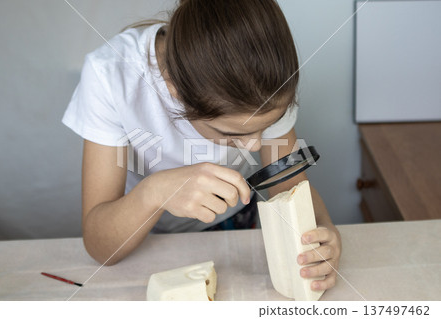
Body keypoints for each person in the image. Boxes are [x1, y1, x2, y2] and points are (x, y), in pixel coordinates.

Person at [62, 0, 341, 292]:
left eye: (268, 125)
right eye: (232, 133)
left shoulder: (266, 81)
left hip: (234, 220)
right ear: (175, 90)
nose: (255, 145)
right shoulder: (111, 75)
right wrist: (156, 191)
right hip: (138, 232)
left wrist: (323, 235)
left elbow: (289, 186)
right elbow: (99, 245)